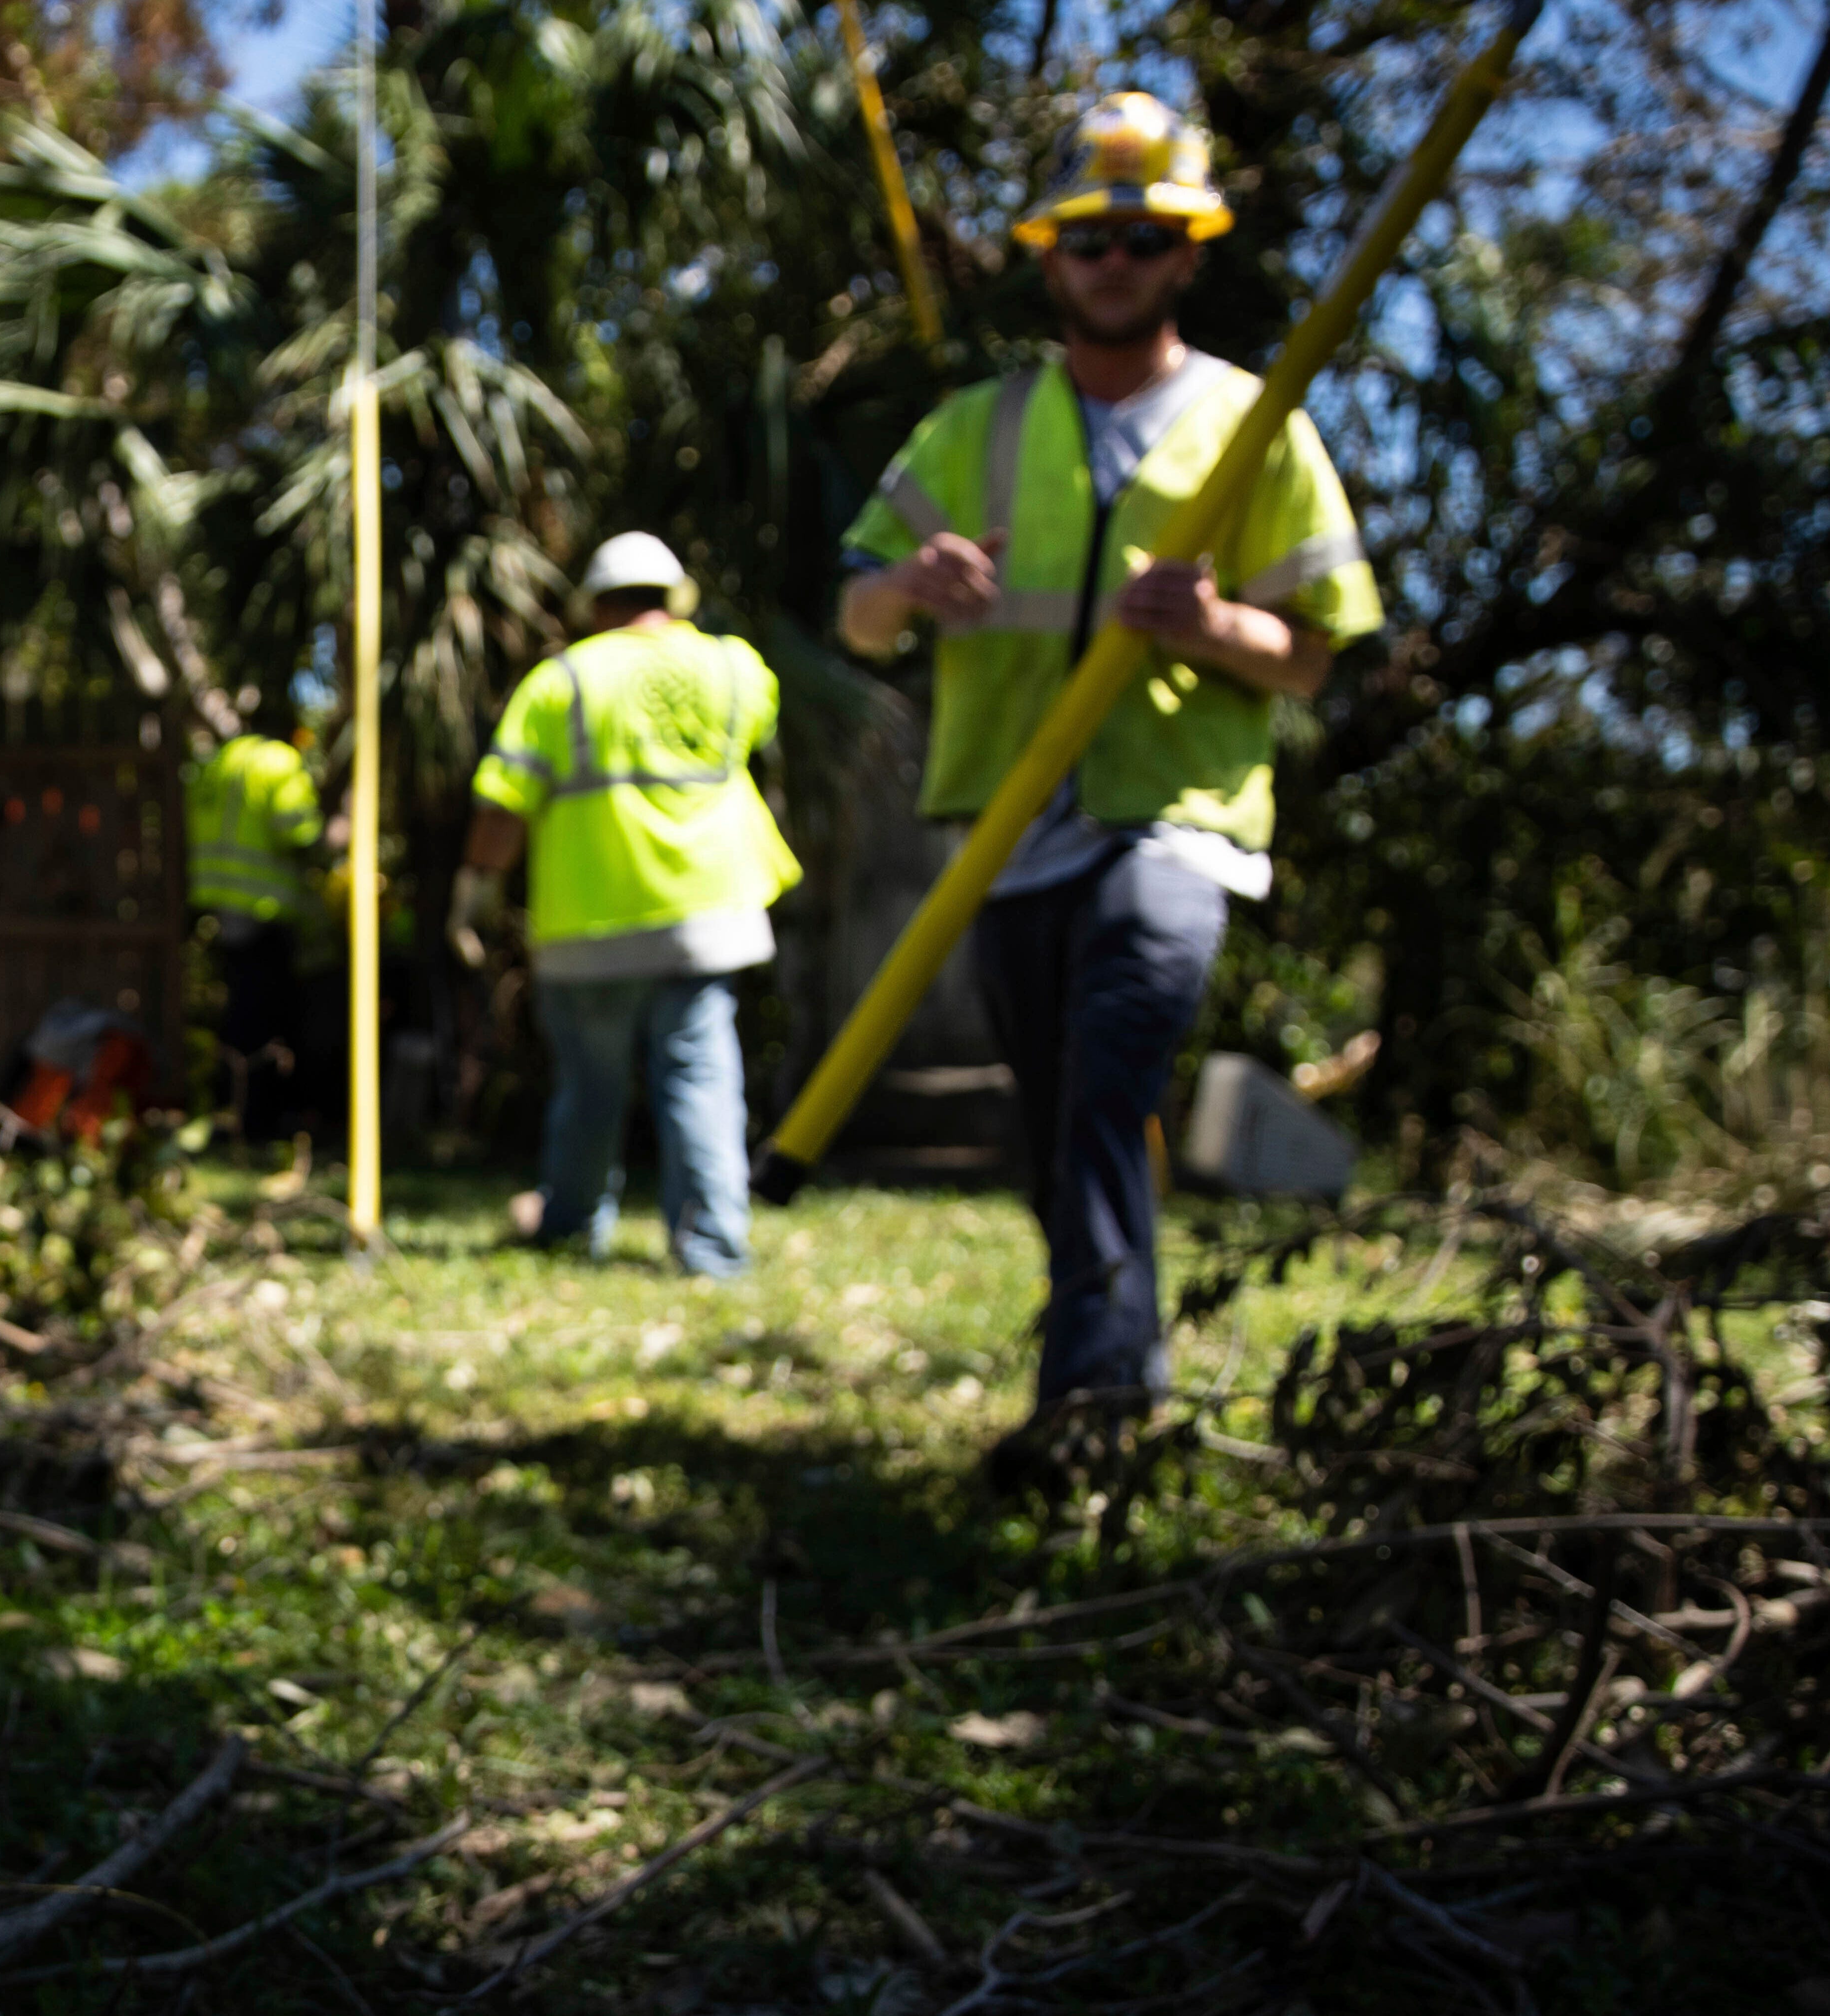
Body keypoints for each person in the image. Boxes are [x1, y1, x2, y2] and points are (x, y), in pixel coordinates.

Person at [836, 91, 1381, 1421]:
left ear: (1188, 253)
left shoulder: (1257, 424)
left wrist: (1217, 624)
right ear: (1052, 258)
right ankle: (1115, 1347)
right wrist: (908, 586)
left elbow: (1315, 655)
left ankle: (1091, 1397)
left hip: (1174, 818)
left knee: (1108, 1070)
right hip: (1008, 825)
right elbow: (857, 619)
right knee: (1057, 1114)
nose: (1115, 261)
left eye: (1145, 238)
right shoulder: (978, 426)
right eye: (1089, 239)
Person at [454, 531, 798, 1277]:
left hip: (592, 923)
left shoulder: (564, 681)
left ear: (595, 605)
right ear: (674, 598)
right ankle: (712, 1247)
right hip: (707, 915)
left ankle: (571, 1226)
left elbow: (504, 804)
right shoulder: (733, 668)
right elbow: (757, 731)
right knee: (702, 1080)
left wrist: (475, 891)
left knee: (590, 1088)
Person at [184, 702, 337, 1141]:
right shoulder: (278, 761)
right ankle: (260, 1118)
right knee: (265, 1013)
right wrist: (332, 842)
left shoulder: (223, 759)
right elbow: (299, 832)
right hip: (265, 904)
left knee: (240, 1008)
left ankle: (235, 1108)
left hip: (220, 900)